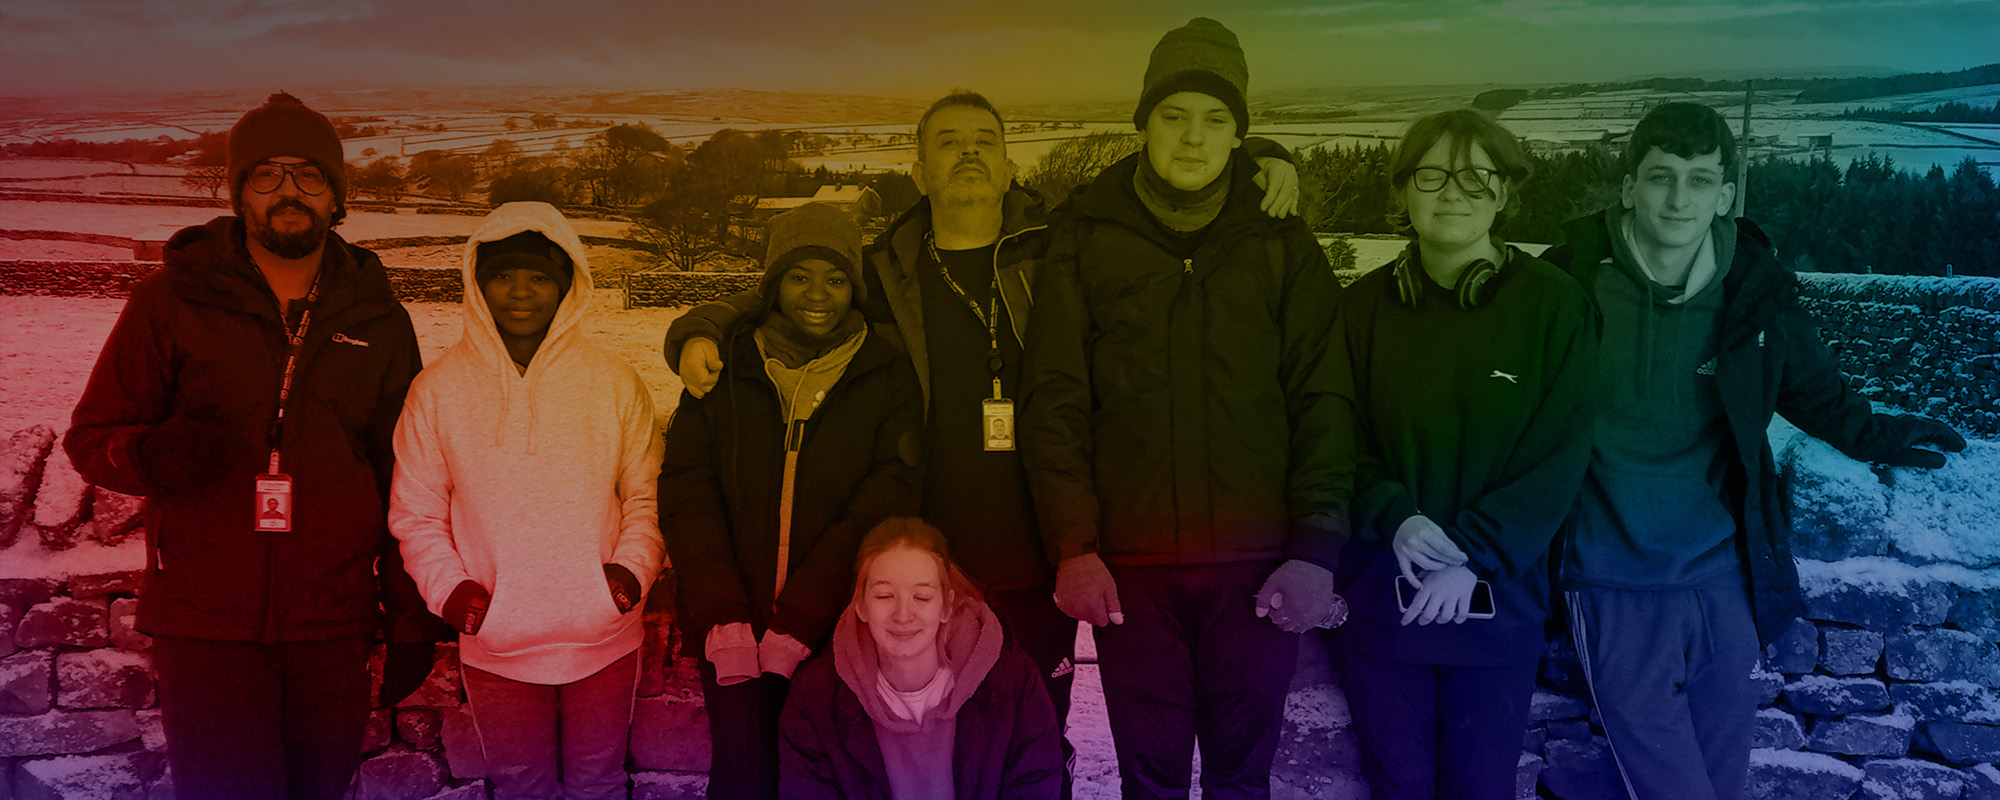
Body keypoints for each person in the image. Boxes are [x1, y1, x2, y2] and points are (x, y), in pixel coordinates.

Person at [660, 89, 1303, 796]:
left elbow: (1162, 198)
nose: (968, 152)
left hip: (1038, 558)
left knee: (1031, 747)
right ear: (921, 170)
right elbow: (794, 299)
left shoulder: (1061, 249)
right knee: (910, 749)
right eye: (947, 141)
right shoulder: (887, 269)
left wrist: (1260, 162)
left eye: (984, 141)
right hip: (919, 567)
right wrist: (701, 325)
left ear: (1006, 168)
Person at [1542, 101, 1967, 800]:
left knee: (1722, 779)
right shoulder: (1566, 283)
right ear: (1628, 186)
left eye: (1700, 180)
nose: (1679, 198)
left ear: (1725, 196)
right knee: (1670, 788)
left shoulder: (1755, 291)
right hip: (1608, 577)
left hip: (1723, 575)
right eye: (1659, 177)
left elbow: (1819, 396)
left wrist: (1881, 435)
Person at [64, 92, 445, 800]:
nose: (289, 192)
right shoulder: (170, 303)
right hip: (205, 620)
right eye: (267, 176)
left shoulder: (380, 319)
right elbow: (90, 439)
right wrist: (149, 456)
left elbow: (405, 478)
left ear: (338, 196)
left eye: (309, 175)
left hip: (331, 623)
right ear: (239, 194)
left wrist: (411, 617)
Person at [1019, 18, 1349, 800]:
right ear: (1143, 124)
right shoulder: (1085, 237)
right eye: (1173, 116)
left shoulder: (1281, 246)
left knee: (1242, 778)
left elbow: (1325, 399)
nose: (1192, 139)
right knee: (1152, 778)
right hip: (1132, 571)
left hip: (1257, 569)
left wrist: (1315, 550)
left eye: (1214, 119)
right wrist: (1074, 544)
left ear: (1240, 134)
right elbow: (1055, 398)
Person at [1327, 110, 1596, 799]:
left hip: (1498, 608)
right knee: (1399, 787)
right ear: (1403, 192)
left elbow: (1558, 453)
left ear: (1505, 193)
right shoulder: (1359, 313)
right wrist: (1397, 519)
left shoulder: (1554, 307)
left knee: (1481, 788)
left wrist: (1473, 554)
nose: (1455, 190)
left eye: (1479, 175)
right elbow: (1334, 441)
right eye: (1434, 173)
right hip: (1385, 608)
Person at [387, 201, 663, 800]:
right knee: (520, 788)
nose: (521, 292)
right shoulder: (437, 390)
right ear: (478, 284)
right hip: (495, 644)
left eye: (539, 277)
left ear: (567, 286)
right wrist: (452, 593)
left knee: (598, 786)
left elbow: (647, 494)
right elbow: (417, 512)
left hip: (603, 640)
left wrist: (627, 575)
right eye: (504, 276)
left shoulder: (615, 382)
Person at [659, 202, 924, 800]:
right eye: (799, 276)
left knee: (826, 778)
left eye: (835, 279)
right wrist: (722, 612)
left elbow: (885, 500)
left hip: (837, 627)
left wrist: (802, 616)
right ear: (774, 284)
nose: (817, 294)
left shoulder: (885, 374)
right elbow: (687, 490)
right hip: (732, 626)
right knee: (742, 775)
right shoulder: (725, 368)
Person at [779, 517, 1065, 799]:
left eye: (922, 597)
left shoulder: (1012, 683)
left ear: (945, 607)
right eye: (884, 595)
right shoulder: (815, 697)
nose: (903, 615)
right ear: (860, 605)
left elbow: (1035, 784)